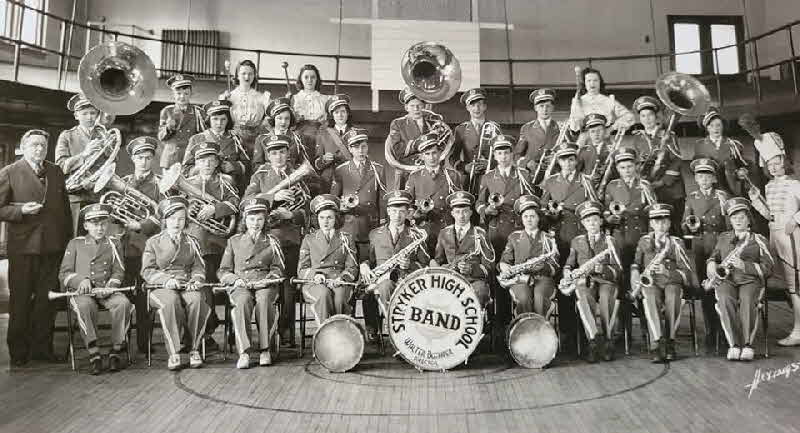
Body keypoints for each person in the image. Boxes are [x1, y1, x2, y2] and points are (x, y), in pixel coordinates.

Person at [0, 130, 72, 366]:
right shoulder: (9, 172)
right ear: (23, 146)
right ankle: (19, 353)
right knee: (20, 300)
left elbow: (65, 211)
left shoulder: (56, 171)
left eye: (42, 145)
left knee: (47, 301)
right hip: (22, 248)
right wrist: (20, 210)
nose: (39, 149)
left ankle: (43, 349)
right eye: (34, 145)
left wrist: (67, 243)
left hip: (52, 247)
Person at [244, 135, 308, 345]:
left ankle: (286, 329)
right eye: (274, 153)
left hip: (290, 238)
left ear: (288, 153)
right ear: (268, 156)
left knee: (288, 285)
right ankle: (267, 332)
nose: (279, 157)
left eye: (282, 152)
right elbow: (246, 202)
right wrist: (273, 198)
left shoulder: (296, 174)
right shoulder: (260, 174)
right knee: (267, 286)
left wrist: (292, 216)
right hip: (266, 239)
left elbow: (308, 208)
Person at [58, 204, 133, 375]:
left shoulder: (113, 243)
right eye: (95, 224)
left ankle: (116, 349)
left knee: (123, 303)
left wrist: (111, 286)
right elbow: (64, 273)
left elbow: (118, 270)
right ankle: (94, 353)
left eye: (103, 224)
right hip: (82, 292)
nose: (100, 228)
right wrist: (81, 280)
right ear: (86, 226)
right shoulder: (75, 243)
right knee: (85, 306)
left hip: (106, 290)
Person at [179, 142, 240, 349]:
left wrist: (214, 209)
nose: (206, 163)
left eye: (210, 159)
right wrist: (189, 206)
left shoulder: (226, 180)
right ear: (196, 162)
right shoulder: (188, 181)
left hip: (217, 243)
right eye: (202, 160)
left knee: (213, 287)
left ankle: (229, 331)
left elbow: (235, 204)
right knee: (201, 287)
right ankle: (204, 331)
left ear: (216, 162)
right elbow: (177, 209)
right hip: (194, 242)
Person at [110, 137, 165, 353]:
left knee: (144, 298)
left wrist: (139, 224)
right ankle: (120, 341)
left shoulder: (160, 183)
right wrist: (119, 218)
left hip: (146, 248)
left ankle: (144, 342)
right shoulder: (123, 181)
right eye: (139, 157)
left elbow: (162, 215)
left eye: (148, 157)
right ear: (132, 158)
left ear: (153, 159)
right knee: (122, 295)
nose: (143, 161)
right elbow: (113, 212)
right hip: (124, 248)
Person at [141, 197, 210, 370]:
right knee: (170, 303)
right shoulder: (153, 242)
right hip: (160, 287)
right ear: (165, 220)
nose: (176, 222)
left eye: (181, 218)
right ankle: (174, 352)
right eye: (172, 218)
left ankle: (194, 348)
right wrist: (166, 280)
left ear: (186, 220)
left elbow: (199, 267)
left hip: (186, 284)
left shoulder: (192, 241)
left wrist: (196, 280)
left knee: (197, 301)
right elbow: (147, 271)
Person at [218, 198, 285, 369]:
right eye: (251, 219)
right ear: (244, 220)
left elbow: (278, 268)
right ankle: (244, 352)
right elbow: (224, 271)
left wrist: (268, 279)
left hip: (264, 283)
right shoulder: (233, 241)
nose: (255, 223)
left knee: (264, 302)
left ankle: (265, 349)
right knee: (242, 302)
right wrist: (236, 280)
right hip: (241, 284)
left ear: (265, 221)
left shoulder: (272, 240)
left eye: (260, 219)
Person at [705, 197, 773, 361]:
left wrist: (745, 266)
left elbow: (769, 268)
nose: (738, 221)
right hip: (727, 280)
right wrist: (711, 265)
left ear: (749, 219)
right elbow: (714, 256)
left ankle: (748, 344)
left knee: (748, 299)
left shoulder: (759, 239)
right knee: (724, 299)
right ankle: (734, 344)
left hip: (750, 280)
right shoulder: (723, 237)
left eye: (741, 217)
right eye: (734, 218)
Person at [747, 141, 800, 347]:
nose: (773, 168)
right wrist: (755, 201)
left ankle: (798, 331)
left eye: (776, 163)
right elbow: (769, 214)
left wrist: (796, 220)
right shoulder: (769, 186)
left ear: (784, 162)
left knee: (795, 284)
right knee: (787, 285)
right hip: (774, 234)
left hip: (791, 235)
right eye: (769, 165)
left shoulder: (794, 184)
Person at [630, 203, 697, 362]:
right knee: (650, 297)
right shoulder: (643, 241)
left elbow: (686, 271)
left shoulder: (676, 242)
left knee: (673, 296)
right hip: (650, 281)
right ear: (651, 224)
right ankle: (657, 343)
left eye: (664, 222)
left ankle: (670, 341)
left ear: (669, 224)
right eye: (657, 222)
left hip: (671, 281)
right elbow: (636, 263)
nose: (661, 225)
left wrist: (668, 272)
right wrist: (634, 273)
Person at [360, 190, 430, 339]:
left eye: (401, 211)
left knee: (387, 287)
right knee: (382, 287)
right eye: (394, 211)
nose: (397, 215)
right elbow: (369, 259)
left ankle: (399, 329)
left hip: (408, 280)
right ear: (388, 211)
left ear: (407, 213)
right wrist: (364, 265)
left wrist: (409, 265)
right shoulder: (375, 234)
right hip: (381, 280)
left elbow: (425, 264)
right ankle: (389, 329)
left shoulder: (417, 234)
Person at [562, 200, 623, 362]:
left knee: (606, 298)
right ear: (582, 223)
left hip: (606, 282)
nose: (592, 223)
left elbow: (618, 270)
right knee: (583, 296)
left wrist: (601, 269)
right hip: (584, 281)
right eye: (588, 221)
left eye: (595, 220)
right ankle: (593, 340)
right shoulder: (577, 241)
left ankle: (608, 341)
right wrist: (567, 271)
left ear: (601, 221)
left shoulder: (611, 241)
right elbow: (570, 262)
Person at [683, 158, 729, 349]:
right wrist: (690, 225)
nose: (703, 179)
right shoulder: (691, 197)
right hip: (701, 247)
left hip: (720, 245)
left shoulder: (722, 196)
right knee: (706, 288)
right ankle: (711, 330)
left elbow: (728, 224)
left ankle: (725, 329)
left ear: (713, 178)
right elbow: (684, 223)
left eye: (707, 175)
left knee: (724, 287)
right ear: (696, 178)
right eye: (700, 176)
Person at [297, 194, 359, 324]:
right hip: (315, 282)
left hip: (338, 280)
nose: (325, 222)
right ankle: (324, 333)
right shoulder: (309, 239)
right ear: (317, 219)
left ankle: (341, 332)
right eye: (322, 217)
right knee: (324, 294)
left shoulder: (346, 239)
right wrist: (316, 275)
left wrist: (342, 278)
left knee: (340, 297)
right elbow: (302, 269)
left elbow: (352, 267)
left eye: (329, 217)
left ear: (336, 218)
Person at [498, 195, 560, 317]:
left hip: (543, 278)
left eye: (532, 216)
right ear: (521, 219)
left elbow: (556, 265)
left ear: (538, 218)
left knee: (540, 297)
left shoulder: (548, 238)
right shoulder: (514, 237)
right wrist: (506, 268)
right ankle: (524, 329)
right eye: (525, 216)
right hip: (520, 278)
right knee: (524, 298)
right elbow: (504, 261)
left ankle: (541, 329)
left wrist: (543, 267)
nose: (529, 219)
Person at [431, 191, 495, 309]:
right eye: (457, 212)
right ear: (452, 213)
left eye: (465, 211)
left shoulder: (480, 234)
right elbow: (437, 261)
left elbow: (489, 266)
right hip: (450, 281)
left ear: (471, 213)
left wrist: (472, 269)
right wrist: (442, 268)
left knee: (479, 293)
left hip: (474, 281)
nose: (461, 216)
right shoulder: (444, 233)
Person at [55, 93, 107, 235]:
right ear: (76, 116)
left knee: (98, 238)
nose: (89, 117)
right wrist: (84, 154)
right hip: (76, 198)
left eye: (92, 113)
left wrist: (97, 180)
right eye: (84, 114)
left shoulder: (104, 135)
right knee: (75, 237)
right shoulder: (67, 136)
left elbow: (111, 164)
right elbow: (60, 166)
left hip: (98, 196)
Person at [630, 95, 684, 230]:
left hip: (670, 189)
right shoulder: (638, 138)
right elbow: (637, 162)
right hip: (650, 188)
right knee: (655, 227)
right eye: (643, 116)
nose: (647, 119)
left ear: (656, 116)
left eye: (650, 115)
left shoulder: (668, 135)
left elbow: (677, 161)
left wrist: (661, 182)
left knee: (673, 226)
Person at [476, 134, 534, 257]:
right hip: (496, 228)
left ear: (512, 154)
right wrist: (487, 210)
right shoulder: (488, 177)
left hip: (517, 226)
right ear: (495, 156)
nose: (503, 157)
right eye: (500, 153)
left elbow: (530, 202)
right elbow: (479, 203)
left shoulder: (523, 174)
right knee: (496, 262)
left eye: (506, 153)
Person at [405, 132, 464, 254]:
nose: (431, 157)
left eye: (434, 153)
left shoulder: (452, 175)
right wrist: (416, 213)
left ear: (440, 153)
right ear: (422, 156)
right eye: (427, 154)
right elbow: (407, 206)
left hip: (446, 228)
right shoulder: (414, 177)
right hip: (422, 229)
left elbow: (459, 204)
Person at [602, 147, 654, 274]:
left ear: (635, 166)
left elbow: (654, 211)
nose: (627, 171)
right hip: (620, 232)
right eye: (623, 168)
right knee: (621, 265)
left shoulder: (644, 185)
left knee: (640, 264)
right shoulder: (612, 185)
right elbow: (606, 209)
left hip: (639, 231)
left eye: (630, 166)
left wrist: (651, 235)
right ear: (618, 169)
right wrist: (609, 218)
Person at [184, 98, 249, 190]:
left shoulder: (236, 139)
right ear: (209, 120)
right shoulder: (196, 139)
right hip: (202, 188)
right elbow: (185, 169)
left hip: (229, 187)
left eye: (223, 119)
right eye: (215, 119)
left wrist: (234, 166)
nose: (219, 123)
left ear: (228, 120)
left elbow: (247, 164)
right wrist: (202, 168)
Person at [695, 107, 752, 196]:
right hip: (711, 190)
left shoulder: (733, 144)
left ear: (723, 126)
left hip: (731, 189)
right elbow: (697, 168)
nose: (715, 129)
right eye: (711, 126)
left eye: (718, 125)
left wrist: (741, 172)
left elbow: (742, 165)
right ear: (707, 128)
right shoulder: (700, 145)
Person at [568, 67, 634, 141]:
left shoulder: (609, 100)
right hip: (584, 141)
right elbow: (574, 127)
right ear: (584, 83)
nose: (592, 83)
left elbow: (629, 117)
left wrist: (611, 128)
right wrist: (576, 109)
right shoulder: (578, 101)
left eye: (595, 80)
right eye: (588, 81)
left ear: (600, 82)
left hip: (605, 140)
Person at [450, 88, 495, 192]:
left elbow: (503, 154)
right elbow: (453, 157)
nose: (476, 108)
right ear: (467, 108)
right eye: (472, 105)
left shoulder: (494, 127)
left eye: (479, 104)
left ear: (485, 107)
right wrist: (465, 167)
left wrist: (489, 164)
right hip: (469, 179)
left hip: (490, 178)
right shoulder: (460, 129)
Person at [158, 74, 206, 171]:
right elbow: (161, 137)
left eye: (186, 93)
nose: (182, 97)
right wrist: (168, 128)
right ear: (173, 94)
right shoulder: (167, 111)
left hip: (189, 159)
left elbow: (203, 136)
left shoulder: (198, 112)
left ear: (191, 93)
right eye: (178, 93)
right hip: (171, 159)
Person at [225, 60, 270, 161]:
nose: (247, 77)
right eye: (243, 73)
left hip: (256, 139)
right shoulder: (229, 96)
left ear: (254, 76)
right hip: (236, 138)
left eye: (250, 74)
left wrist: (261, 126)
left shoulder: (262, 97)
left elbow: (270, 116)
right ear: (237, 75)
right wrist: (224, 101)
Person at [515, 88, 561, 187]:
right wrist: (527, 163)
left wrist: (556, 159)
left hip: (554, 176)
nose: (545, 109)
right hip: (532, 177)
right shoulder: (526, 128)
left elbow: (568, 153)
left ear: (553, 107)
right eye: (541, 106)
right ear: (535, 108)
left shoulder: (560, 128)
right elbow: (517, 155)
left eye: (548, 106)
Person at [253, 98, 314, 170]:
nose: (283, 122)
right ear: (273, 120)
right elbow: (256, 166)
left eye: (287, 118)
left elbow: (304, 163)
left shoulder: (298, 138)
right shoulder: (261, 139)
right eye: (279, 118)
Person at [386, 87, 429, 190]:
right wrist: (417, 144)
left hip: (428, 172)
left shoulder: (432, 123)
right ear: (406, 107)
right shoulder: (397, 124)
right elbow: (397, 151)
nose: (416, 109)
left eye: (419, 105)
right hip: (406, 173)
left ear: (423, 106)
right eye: (412, 106)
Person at [315, 94, 354, 193]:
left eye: (343, 112)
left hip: (351, 177)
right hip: (330, 180)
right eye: (336, 112)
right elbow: (317, 164)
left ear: (348, 113)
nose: (340, 115)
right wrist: (324, 159)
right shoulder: (323, 134)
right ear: (332, 115)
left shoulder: (356, 132)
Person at [290, 64, 330, 144]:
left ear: (317, 79)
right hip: (299, 139)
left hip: (320, 138)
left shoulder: (326, 99)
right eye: (306, 77)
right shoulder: (294, 98)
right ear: (301, 79)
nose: (309, 80)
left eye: (313, 77)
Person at [577, 113, 614, 179]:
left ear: (605, 131)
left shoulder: (611, 149)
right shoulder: (583, 150)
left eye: (599, 130)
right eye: (593, 131)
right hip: (588, 186)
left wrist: (609, 171)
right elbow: (577, 171)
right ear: (589, 134)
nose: (596, 134)